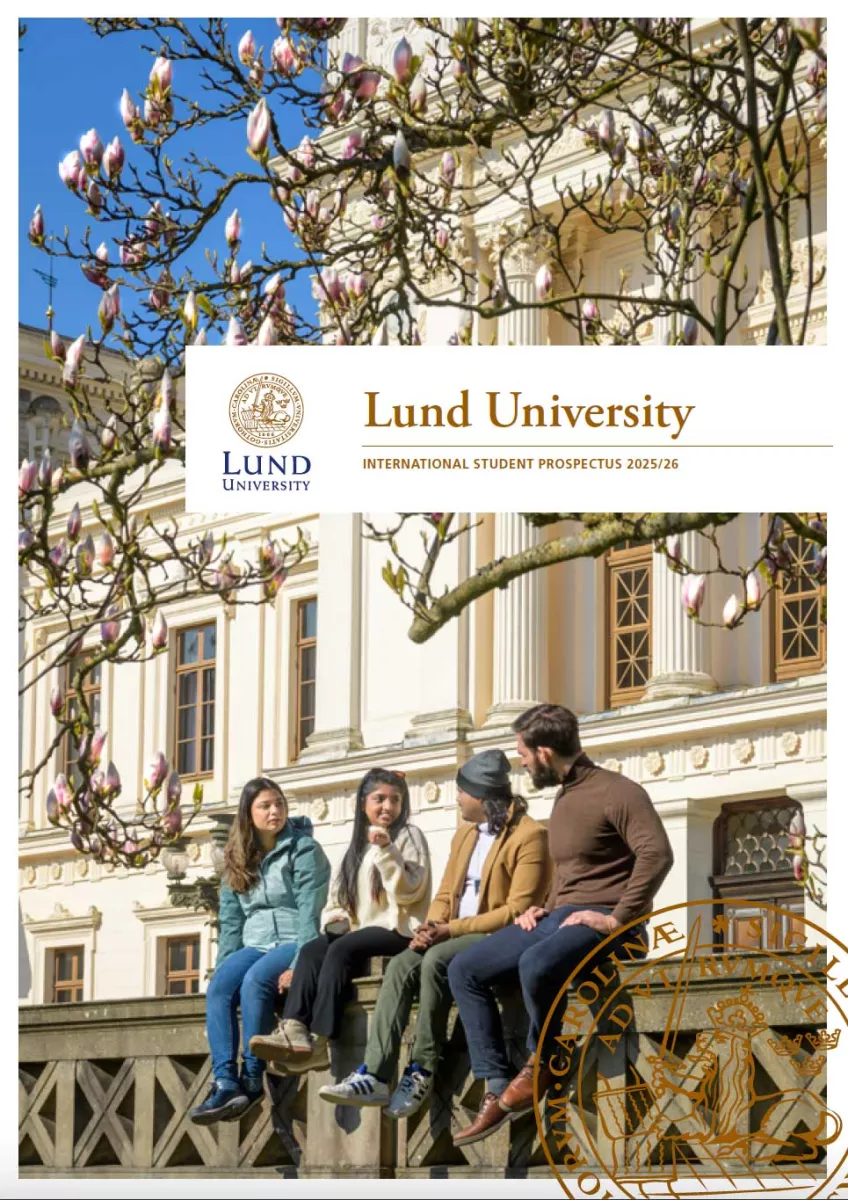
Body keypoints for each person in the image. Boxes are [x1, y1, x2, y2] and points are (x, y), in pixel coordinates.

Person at [448, 704, 674, 1147]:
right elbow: (571, 870)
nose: (522, 763)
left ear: (545, 751)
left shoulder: (618, 791)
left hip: (609, 927)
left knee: (536, 963)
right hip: (559, 919)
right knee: (464, 968)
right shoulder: (566, 794)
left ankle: (542, 1064)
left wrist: (615, 918)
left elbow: (657, 855)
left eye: (524, 754)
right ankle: (496, 1083)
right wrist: (543, 906)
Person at [318, 748, 551, 1116]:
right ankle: (375, 1075)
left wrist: (448, 930)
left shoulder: (530, 835)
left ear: (481, 795)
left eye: (462, 791)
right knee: (400, 966)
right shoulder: (465, 834)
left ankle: (421, 1068)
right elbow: (445, 892)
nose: (456, 796)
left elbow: (515, 910)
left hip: (499, 937)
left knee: (437, 961)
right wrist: (430, 927)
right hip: (451, 931)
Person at [249, 768, 431, 1076]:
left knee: (340, 950)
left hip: (398, 929)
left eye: (395, 800)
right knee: (311, 950)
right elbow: (339, 899)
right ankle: (294, 1028)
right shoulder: (356, 846)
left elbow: (410, 892)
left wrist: (387, 850)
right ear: (363, 804)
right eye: (379, 799)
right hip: (361, 931)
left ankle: (319, 1043)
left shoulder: (408, 836)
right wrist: (336, 919)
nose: (387, 807)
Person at [189, 776, 331, 1125]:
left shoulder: (303, 850)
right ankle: (225, 1081)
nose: (274, 812)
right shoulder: (236, 859)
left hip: (291, 940)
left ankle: (252, 1077)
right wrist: (225, 966)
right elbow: (232, 922)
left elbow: (309, 910)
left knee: (256, 980)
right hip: (254, 942)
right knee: (221, 986)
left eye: (279, 804)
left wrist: (300, 961)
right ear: (248, 814)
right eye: (265, 806)